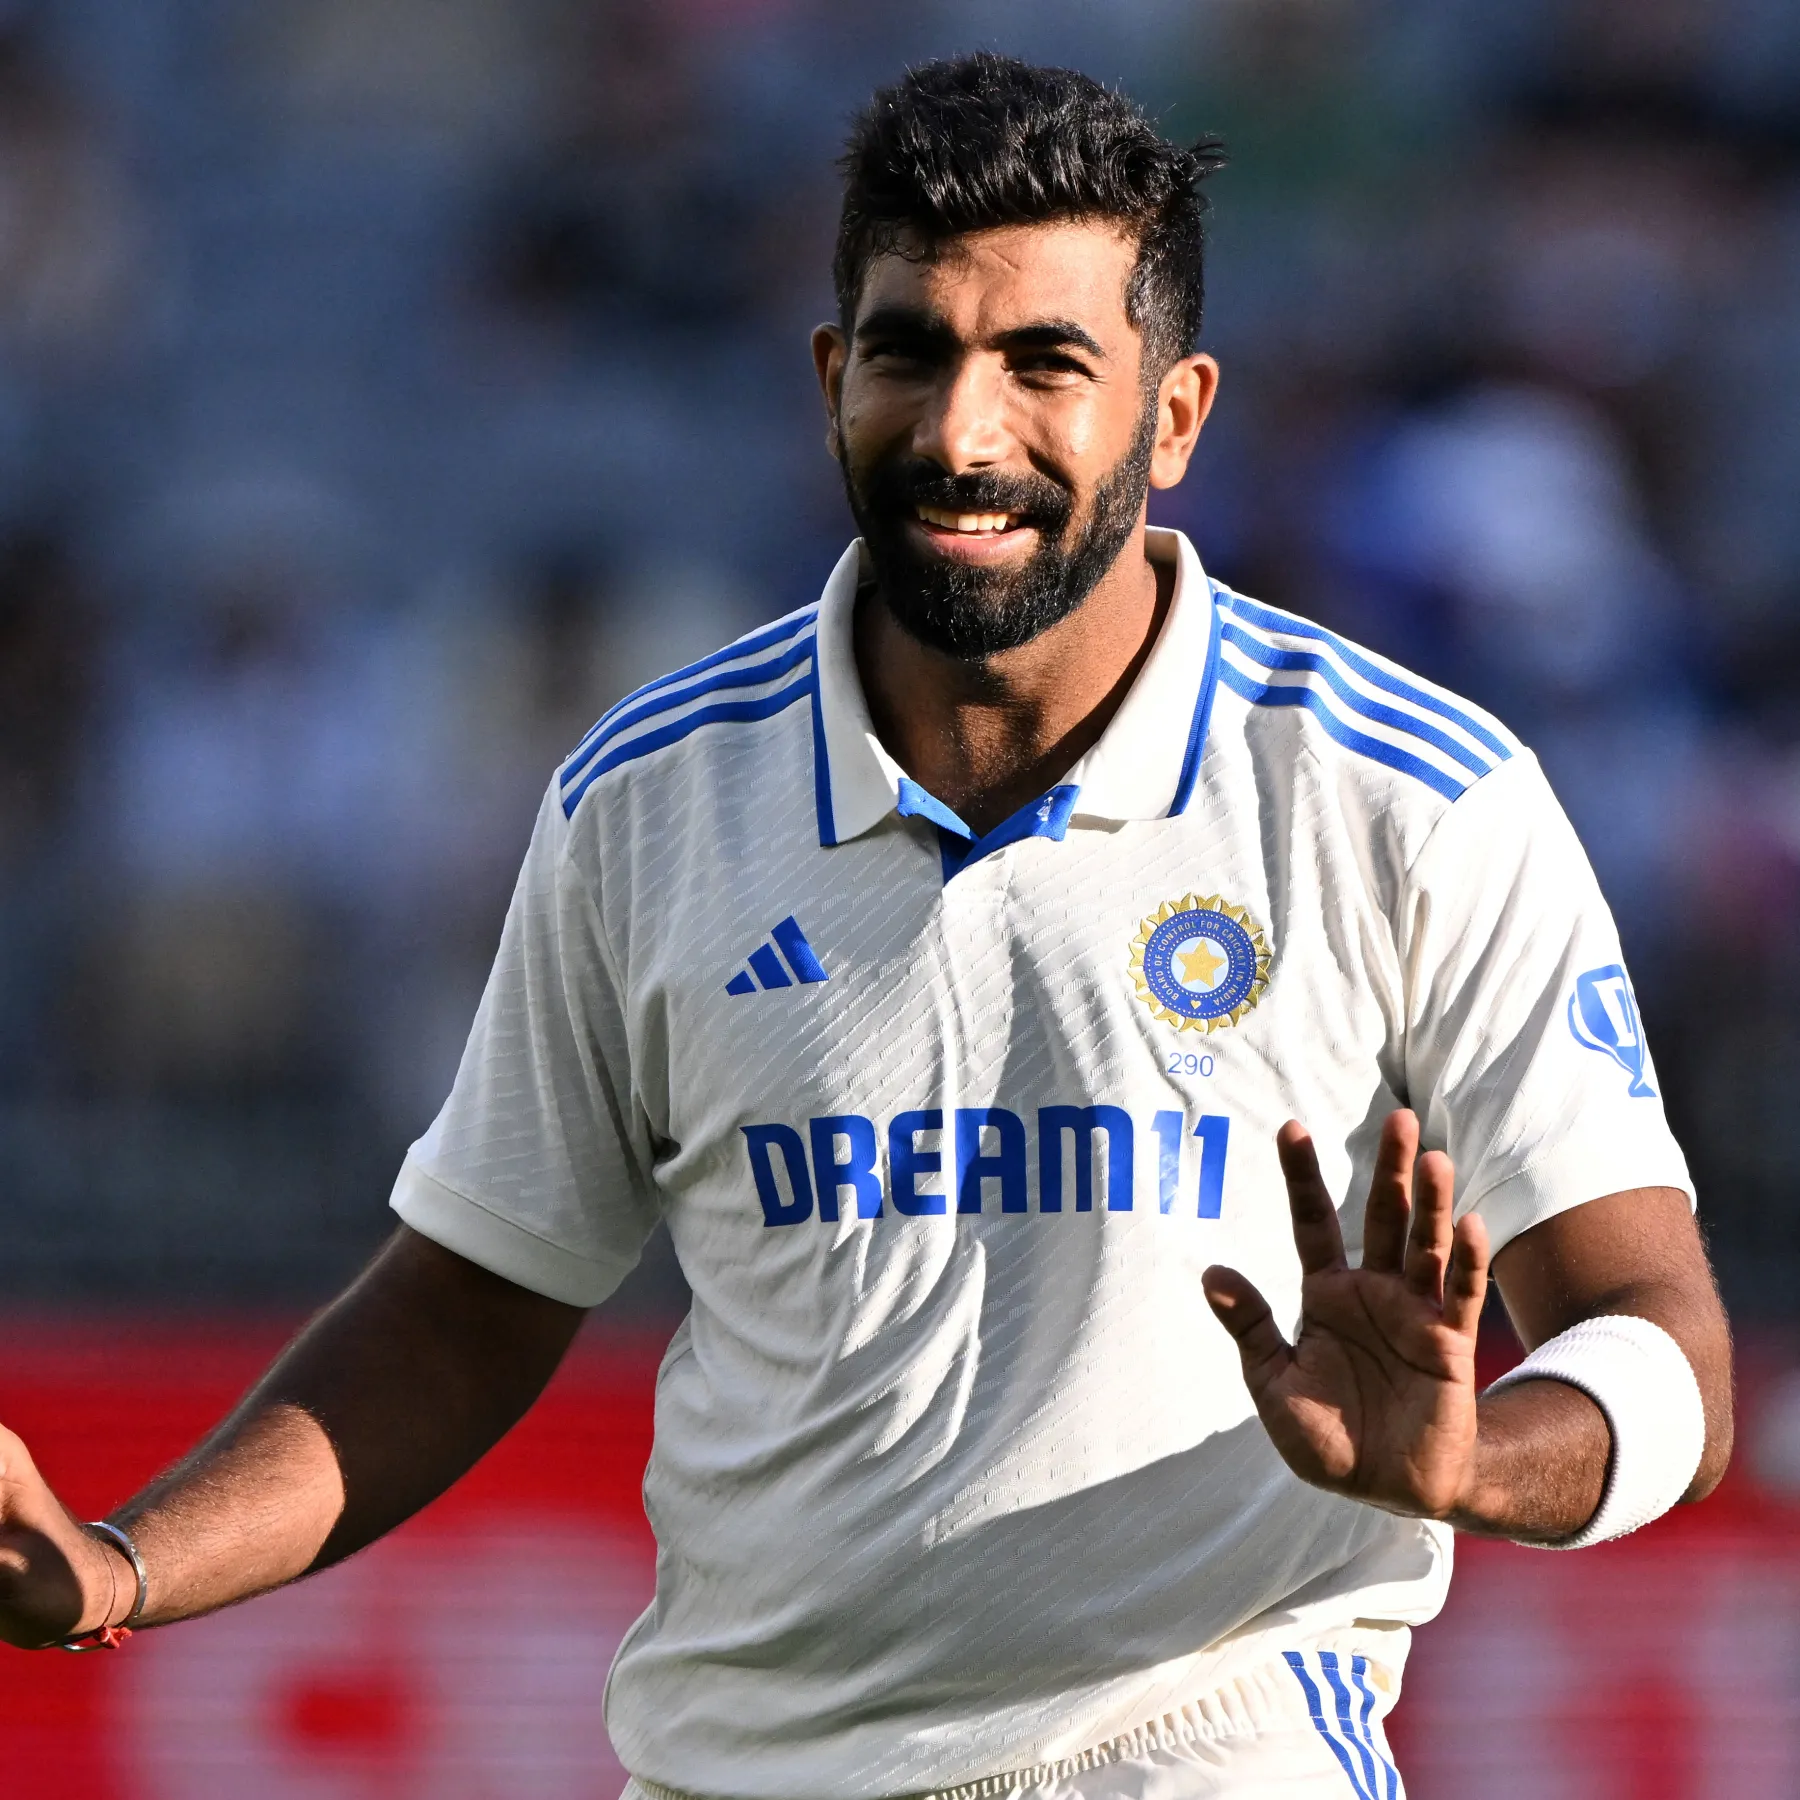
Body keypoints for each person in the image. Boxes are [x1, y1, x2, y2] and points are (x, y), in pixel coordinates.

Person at [0, 53, 1731, 1800]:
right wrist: (126, 1569)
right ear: (835, 378)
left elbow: (1663, 1339)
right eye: (911, 352)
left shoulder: (1411, 797)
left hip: (1206, 1755)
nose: (965, 434)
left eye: (1048, 363)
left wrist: (1473, 1463)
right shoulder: (649, 798)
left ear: (1178, 412)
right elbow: (470, 1307)